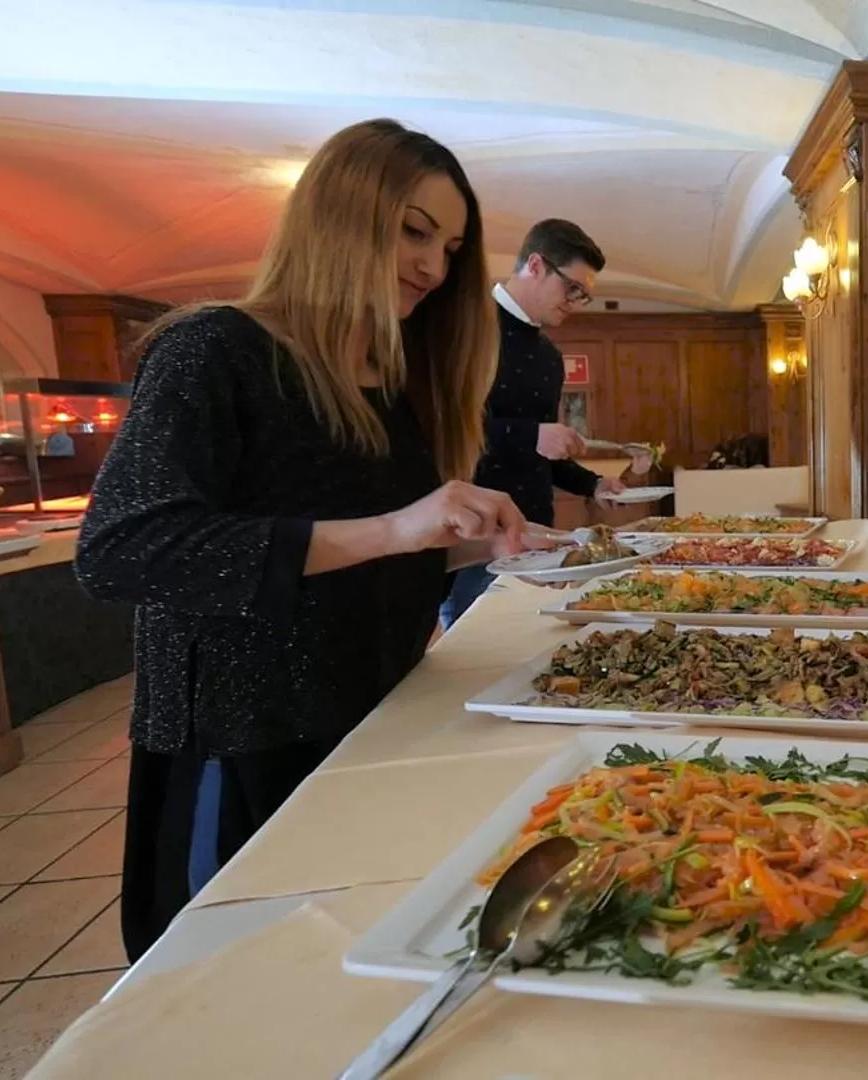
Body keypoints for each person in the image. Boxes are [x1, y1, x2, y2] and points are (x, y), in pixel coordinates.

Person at [74, 119, 529, 961]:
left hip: (374, 717)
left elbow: (366, 552)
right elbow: (122, 549)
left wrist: (477, 542)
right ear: (337, 214)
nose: (434, 266)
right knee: (230, 980)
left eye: (452, 246)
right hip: (244, 738)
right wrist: (396, 527)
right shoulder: (213, 348)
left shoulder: (395, 380)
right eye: (413, 230)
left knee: (351, 964)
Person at [439, 218, 625, 628]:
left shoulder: (548, 356)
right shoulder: (463, 329)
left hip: (537, 534)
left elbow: (544, 453)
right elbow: (442, 431)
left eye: (584, 296)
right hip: (474, 539)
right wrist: (530, 435)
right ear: (536, 265)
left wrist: (592, 484)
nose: (576, 303)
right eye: (571, 288)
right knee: (474, 660)